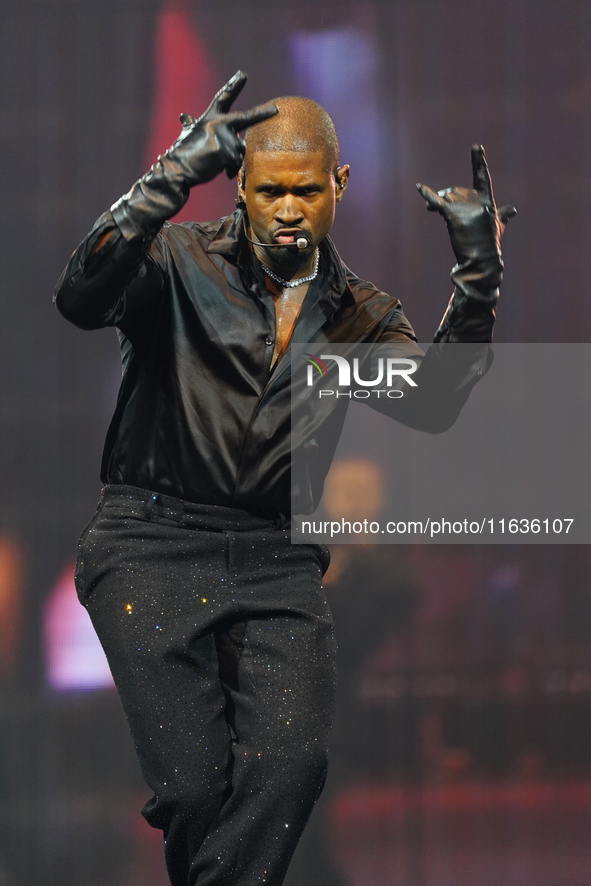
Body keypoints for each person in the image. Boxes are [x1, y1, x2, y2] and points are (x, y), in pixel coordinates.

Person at [54, 70, 514, 886]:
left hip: (275, 559)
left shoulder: (359, 315)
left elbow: (435, 407)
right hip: (148, 544)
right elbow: (79, 299)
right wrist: (166, 179)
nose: (288, 210)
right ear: (239, 187)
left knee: (291, 767)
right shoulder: (178, 262)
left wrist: (475, 281)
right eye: (269, 191)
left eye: (306, 190)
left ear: (339, 184)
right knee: (196, 792)